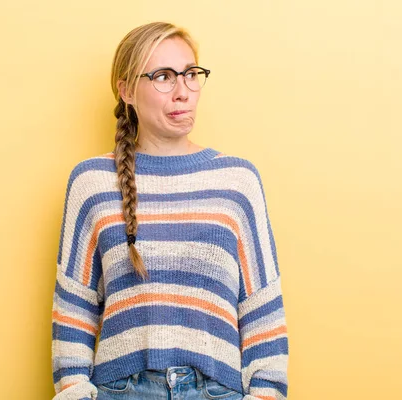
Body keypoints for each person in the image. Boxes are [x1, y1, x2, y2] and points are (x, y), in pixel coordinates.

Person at [51, 21, 289, 400]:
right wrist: (75, 391)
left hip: (218, 390)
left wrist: (266, 393)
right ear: (126, 90)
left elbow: (262, 305)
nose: (183, 92)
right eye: (163, 76)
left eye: (191, 74)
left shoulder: (237, 181)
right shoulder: (92, 181)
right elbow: (74, 308)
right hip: (121, 391)